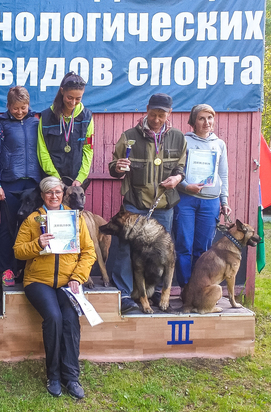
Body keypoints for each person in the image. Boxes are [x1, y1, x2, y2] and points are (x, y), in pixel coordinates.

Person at [13, 176, 96, 399]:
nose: (54, 196)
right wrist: (37, 245)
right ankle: (54, 376)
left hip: (68, 281)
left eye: (58, 192)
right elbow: (18, 251)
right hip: (38, 282)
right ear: (42, 195)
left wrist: (78, 278)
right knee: (54, 317)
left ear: (63, 194)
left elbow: (89, 252)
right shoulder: (33, 220)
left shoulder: (75, 219)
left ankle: (71, 376)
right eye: (49, 192)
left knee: (70, 318)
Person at [108, 93, 186, 313]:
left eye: (162, 115)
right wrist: (118, 168)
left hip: (163, 206)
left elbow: (181, 166)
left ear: (169, 113)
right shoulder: (129, 136)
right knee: (125, 249)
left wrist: (178, 178)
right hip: (134, 204)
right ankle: (124, 295)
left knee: (162, 253)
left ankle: (157, 294)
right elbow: (113, 167)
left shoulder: (178, 138)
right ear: (147, 109)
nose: (157, 119)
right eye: (153, 114)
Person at [0, 86, 42, 286]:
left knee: (34, 227)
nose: (19, 112)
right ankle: (7, 269)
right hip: (10, 184)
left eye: (23, 107)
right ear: (8, 106)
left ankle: (29, 269)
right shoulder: (1, 126)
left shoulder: (37, 123)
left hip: (33, 184)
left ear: (29, 105)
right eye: (15, 108)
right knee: (8, 229)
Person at [174, 104, 231, 288]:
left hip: (210, 203)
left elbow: (223, 175)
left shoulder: (219, 144)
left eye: (210, 118)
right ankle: (185, 288)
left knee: (203, 249)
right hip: (186, 201)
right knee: (184, 246)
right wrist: (185, 186)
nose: (207, 122)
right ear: (193, 121)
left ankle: (200, 288)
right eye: (201, 118)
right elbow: (176, 170)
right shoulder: (184, 141)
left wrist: (224, 200)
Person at [38, 72, 94, 187]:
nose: (73, 102)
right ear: (62, 91)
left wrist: (81, 177)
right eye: (70, 97)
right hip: (52, 180)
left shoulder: (87, 117)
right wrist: (55, 178)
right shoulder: (46, 117)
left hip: (76, 181)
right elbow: (42, 150)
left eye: (78, 98)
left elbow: (88, 149)